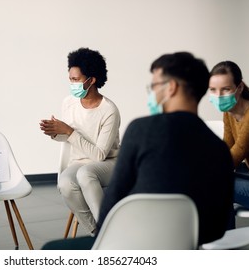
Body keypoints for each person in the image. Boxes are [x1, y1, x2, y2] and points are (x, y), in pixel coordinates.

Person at [42, 52, 234, 250]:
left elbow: (114, 198)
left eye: (154, 86)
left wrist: (105, 240)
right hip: (186, 248)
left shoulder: (141, 130)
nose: (151, 93)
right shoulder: (220, 150)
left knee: (52, 250)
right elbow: (218, 227)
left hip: (134, 244)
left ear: (171, 88)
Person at [39, 47, 121, 235]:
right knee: (65, 182)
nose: (72, 84)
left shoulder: (109, 110)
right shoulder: (69, 102)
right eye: (70, 79)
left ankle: (109, 230)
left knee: (85, 174)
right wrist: (55, 132)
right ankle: (97, 233)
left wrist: (68, 131)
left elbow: (99, 155)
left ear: (91, 80)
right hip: (79, 161)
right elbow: (68, 139)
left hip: (108, 163)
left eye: (76, 80)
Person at [208, 61, 249, 217]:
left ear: (240, 88)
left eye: (225, 89)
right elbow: (226, 150)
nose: (218, 96)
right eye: (213, 90)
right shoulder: (229, 112)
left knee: (220, 182)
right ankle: (225, 239)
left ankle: (226, 239)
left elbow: (234, 157)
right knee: (218, 178)